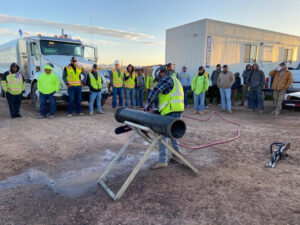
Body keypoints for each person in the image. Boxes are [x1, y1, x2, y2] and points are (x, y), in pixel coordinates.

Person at [145, 65, 184, 170]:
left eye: (158, 78)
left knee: (162, 134)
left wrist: (147, 105)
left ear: (161, 73)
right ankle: (176, 151)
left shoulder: (167, 79)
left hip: (170, 110)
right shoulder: (175, 79)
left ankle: (162, 161)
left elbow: (155, 91)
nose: (158, 81)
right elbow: (167, 95)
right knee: (173, 131)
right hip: (177, 109)